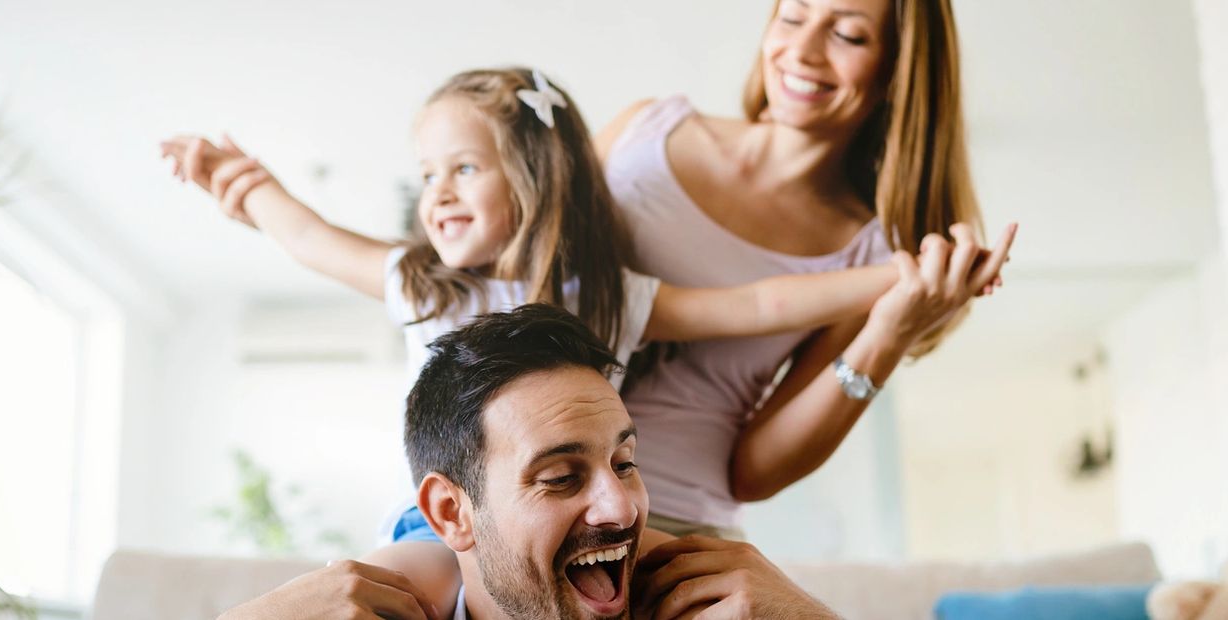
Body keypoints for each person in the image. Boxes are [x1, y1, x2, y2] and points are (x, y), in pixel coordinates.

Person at [162, 66, 1001, 614]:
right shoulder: (423, 284)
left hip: (614, 541)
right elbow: (310, 238)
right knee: (386, 598)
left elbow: (758, 303)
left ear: (529, 175)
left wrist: (907, 279)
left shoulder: (610, 297)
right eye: (426, 177)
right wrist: (249, 187)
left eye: (462, 169)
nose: (436, 195)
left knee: (695, 581)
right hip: (439, 537)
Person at [594, 0, 1015, 537]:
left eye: (848, 36)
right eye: (793, 17)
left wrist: (888, 334)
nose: (803, 50)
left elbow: (753, 475)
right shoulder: (642, 130)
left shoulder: (875, 257)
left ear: (898, 69)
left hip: (672, 522)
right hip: (519, 491)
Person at [217, 304, 842, 620]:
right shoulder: (410, 594)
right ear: (451, 510)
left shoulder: (679, 594)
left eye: (625, 462)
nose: (621, 505)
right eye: (561, 477)